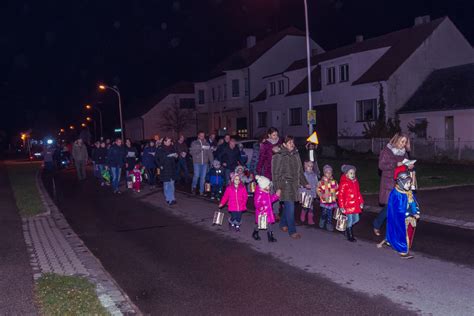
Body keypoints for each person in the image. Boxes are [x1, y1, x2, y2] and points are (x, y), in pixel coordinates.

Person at [373, 133, 412, 236]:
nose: (403, 144)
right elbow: (381, 165)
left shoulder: (404, 153)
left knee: (398, 208)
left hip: (401, 183)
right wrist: (395, 164)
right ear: (396, 140)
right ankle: (377, 224)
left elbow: (405, 165)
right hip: (389, 183)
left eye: (405, 142)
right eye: (402, 141)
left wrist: (409, 165)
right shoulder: (387, 151)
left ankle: (393, 230)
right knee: (389, 208)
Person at [272, 136, 308, 239]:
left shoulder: (296, 154)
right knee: (291, 207)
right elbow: (275, 173)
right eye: (289, 142)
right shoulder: (279, 156)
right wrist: (277, 187)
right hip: (284, 185)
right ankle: (292, 231)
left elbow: (300, 170)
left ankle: (283, 224)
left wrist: (305, 182)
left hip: (294, 185)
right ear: (284, 144)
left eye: (292, 142)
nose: (292, 144)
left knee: (288, 207)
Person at [383, 166, 420, 259]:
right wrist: (409, 214)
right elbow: (398, 209)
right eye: (407, 183)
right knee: (401, 232)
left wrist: (416, 211)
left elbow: (412, 203)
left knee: (407, 232)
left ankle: (396, 243)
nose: (409, 185)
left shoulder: (408, 192)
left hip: (409, 216)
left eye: (409, 183)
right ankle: (402, 250)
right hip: (401, 218)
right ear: (401, 183)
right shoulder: (396, 193)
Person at [338, 165, 364, 242]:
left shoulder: (355, 182)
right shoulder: (344, 183)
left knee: (356, 219)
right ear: (346, 174)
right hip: (347, 205)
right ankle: (350, 235)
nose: (353, 175)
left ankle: (346, 228)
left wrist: (361, 202)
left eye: (353, 173)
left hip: (355, 205)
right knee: (349, 220)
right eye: (351, 173)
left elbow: (358, 193)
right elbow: (340, 195)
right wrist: (342, 206)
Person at [252, 175, 280, 242]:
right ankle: (255, 233)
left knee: (269, 224)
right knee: (259, 224)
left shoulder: (266, 192)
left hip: (268, 212)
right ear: (262, 186)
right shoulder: (259, 194)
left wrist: (276, 196)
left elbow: (270, 200)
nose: (269, 187)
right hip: (262, 213)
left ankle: (270, 237)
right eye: (267, 186)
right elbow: (257, 203)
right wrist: (261, 207)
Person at [190, 131, 213, 195]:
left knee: (203, 177)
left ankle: (201, 191)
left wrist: (212, 162)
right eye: (201, 135)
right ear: (198, 136)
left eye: (203, 135)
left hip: (205, 163)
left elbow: (210, 153)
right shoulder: (194, 143)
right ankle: (193, 187)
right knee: (196, 175)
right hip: (197, 162)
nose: (202, 136)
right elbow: (191, 152)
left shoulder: (207, 144)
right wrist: (200, 149)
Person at [157, 137, 178, 205]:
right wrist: (160, 166)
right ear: (164, 142)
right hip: (165, 168)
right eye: (168, 141)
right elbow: (156, 159)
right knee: (167, 184)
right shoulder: (160, 149)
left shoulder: (172, 148)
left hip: (172, 168)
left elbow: (176, 158)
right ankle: (168, 199)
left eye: (170, 141)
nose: (169, 142)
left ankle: (172, 198)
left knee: (172, 184)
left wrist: (176, 156)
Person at [317, 165, 338, 231]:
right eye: (327, 172)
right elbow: (318, 190)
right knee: (324, 212)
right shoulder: (321, 182)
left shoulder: (334, 182)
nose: (329, 174)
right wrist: (321, 195)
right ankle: (322, 220)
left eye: (330, 172)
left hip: (331, 201)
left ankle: (328, 224)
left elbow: (337, 189)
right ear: (324, 173)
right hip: (325, 201)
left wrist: (336, 196)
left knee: (330, 213)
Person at [300, 161, 318, 225]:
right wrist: (302, 191)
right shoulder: (303, 175)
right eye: (308, 166)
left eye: (311, 166)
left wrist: (315, 192)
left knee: (311, 207)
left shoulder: (314, 175)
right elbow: (300, 184)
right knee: (305, 206)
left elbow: (316, 184)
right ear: (305, 166)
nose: (310, 168)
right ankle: (303, 214)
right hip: (305, 193)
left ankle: (310, 219)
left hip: (311, 193)